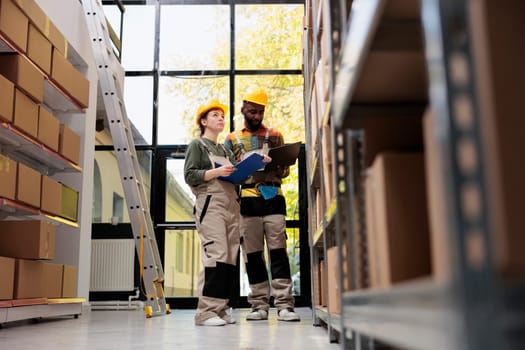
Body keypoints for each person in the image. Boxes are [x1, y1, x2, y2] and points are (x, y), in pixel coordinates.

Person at [224, 88, 301, 322]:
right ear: (243, 109)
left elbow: (286, 171)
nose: (257, 116)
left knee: (278, 252)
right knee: (254, 255)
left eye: (260, 112)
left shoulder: (275, 134)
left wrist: (277, 166)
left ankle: (285, 305)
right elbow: (229, 173)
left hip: (273, 198)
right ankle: (259, 305)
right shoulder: (231, 139)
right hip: (247, 201)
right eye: (252, 111)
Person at [183, 99, 240, 326]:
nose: (220, 118)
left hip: (231, 204)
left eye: (222, 116)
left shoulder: (225, 149)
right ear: (204, 121)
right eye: (215, 115)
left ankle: (221, 308)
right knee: (216, 255)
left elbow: (236, 175)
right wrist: (215, 172)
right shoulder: (197, 145)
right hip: (211, 203)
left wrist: (254, 165)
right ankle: (205, 312)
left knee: (229, 257)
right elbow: (190, 175)